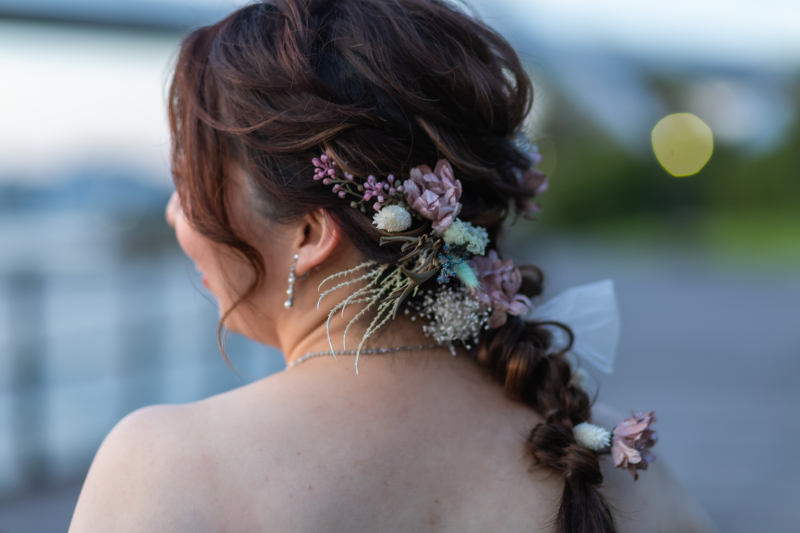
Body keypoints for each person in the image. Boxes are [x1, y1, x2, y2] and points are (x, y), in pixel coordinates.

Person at [69, 0, 718, 531]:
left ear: (310, 231)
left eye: (194, 186)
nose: (174, 215)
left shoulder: (165, 467)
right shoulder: (614, 461)